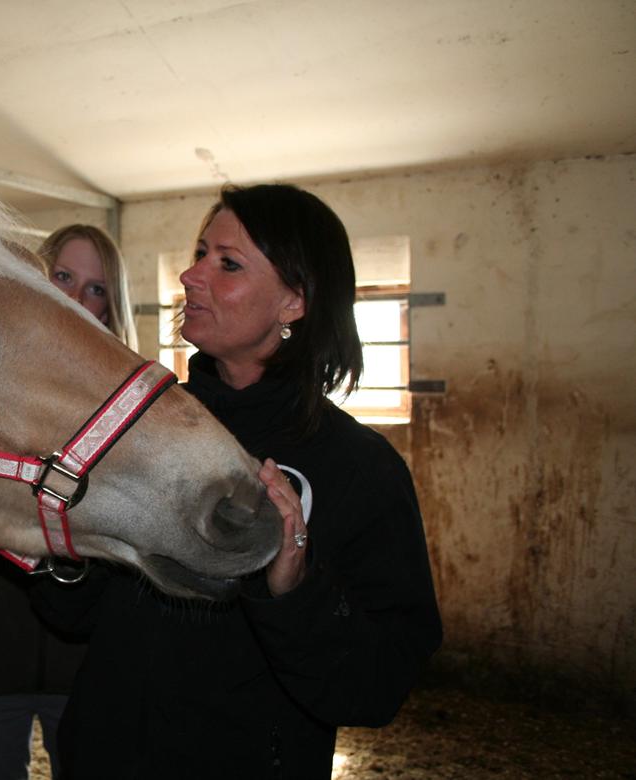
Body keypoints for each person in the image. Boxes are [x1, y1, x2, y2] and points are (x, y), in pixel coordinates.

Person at [32, 184, 443, 778]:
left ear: (293, 303)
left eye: (227, 264)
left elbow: (378, 686)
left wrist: (294, 591)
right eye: (199, 254)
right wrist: (54, 540)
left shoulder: (358, 466)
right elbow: (78, 616)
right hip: (104, 753)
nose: (191, 277)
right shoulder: (137, 427)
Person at [0, 224, 138, 780]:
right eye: (64, 277)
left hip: (86, 661)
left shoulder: (129, 413)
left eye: (97, 289)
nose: (77, 298)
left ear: (111, 307)